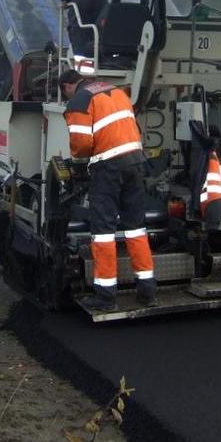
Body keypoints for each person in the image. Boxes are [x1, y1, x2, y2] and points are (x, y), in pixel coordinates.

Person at [60, 69, 156, 311]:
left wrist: (79, 161)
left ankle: (106, 298)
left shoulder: (79, 100)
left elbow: (80, 145)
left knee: (103, 231)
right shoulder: (116, 91)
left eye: (64, 92)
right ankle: (147, 290)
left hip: (109, 169)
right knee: (136, 228)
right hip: (135, 163)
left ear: (68, 85)